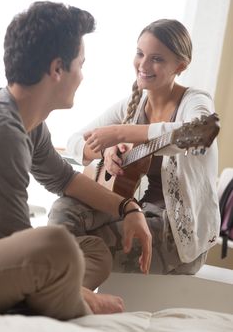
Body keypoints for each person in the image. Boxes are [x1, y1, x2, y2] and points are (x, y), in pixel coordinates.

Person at [0, 1, 152, 319]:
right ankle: (65, 302)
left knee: (93, 252)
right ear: (57, 69)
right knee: (55, 245)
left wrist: (128, 208)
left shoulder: (29, 124)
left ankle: (47, 300)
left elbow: (64, 179)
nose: (82, 75)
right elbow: (18, 240)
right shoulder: (6, 132)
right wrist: (80, 294)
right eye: (80, 64)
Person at [50, 18, 220, 275]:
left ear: (181, 66)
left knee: (81, 249)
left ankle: (59, 296)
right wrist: (106, 150)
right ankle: (62, 294)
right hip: (137, 210)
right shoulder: (133, 103)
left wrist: (122, 132)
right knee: (65, 208)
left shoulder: (195, 100)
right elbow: (76, 140)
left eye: (157, 59)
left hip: (176, 236)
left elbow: (200, 133)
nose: (143, 64)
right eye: (140, 53)